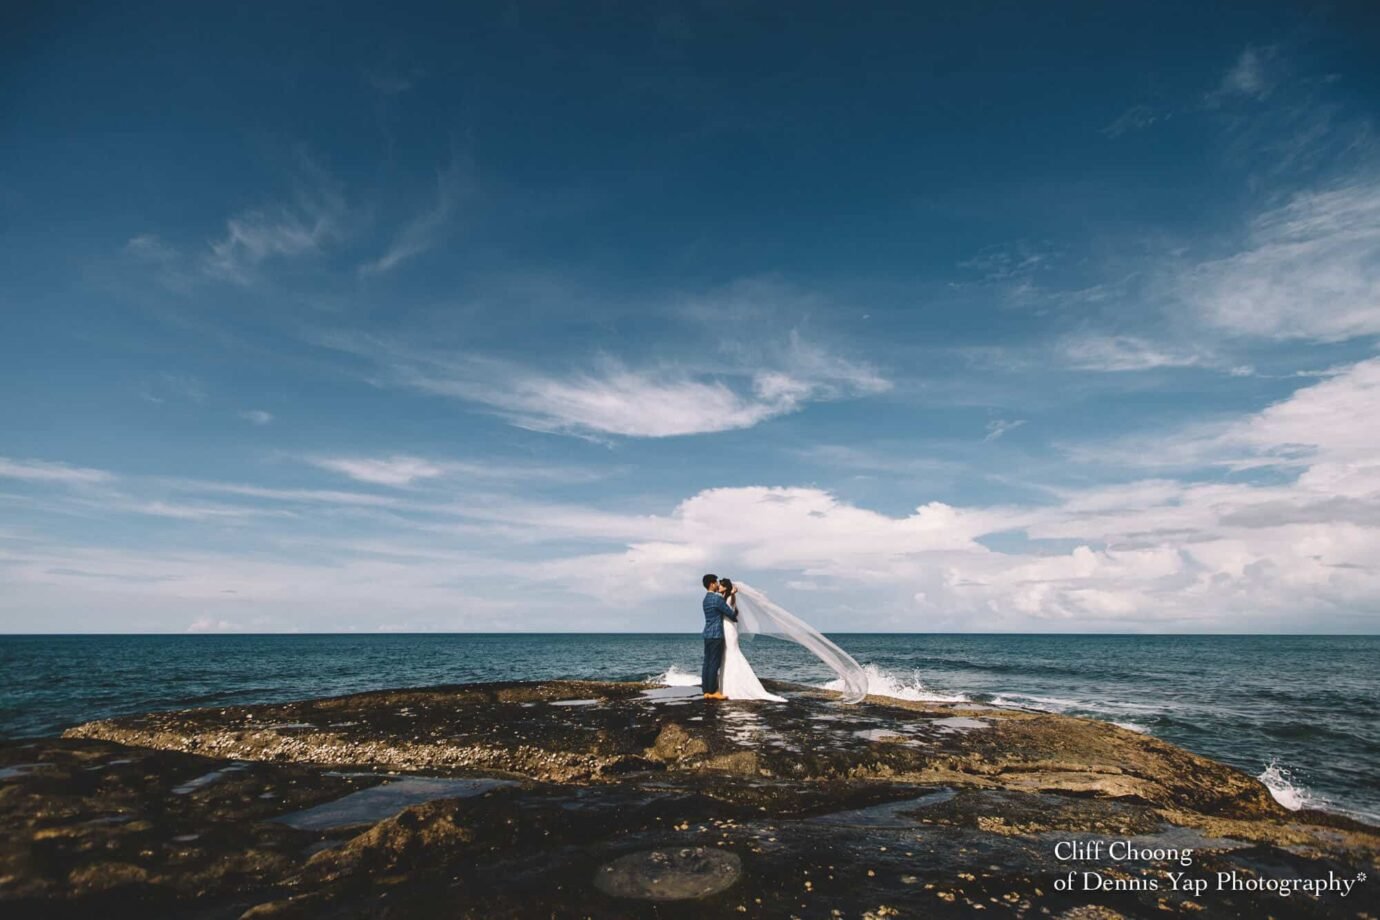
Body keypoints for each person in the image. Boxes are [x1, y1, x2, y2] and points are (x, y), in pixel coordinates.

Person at [701, 573, 735, 700]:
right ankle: (713, 691)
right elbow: (731, 614)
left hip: (707, 634)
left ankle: (706, 691)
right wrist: (731, 595)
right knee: (714, 663)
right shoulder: (717, 599)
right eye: (716, 582)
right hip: (716, 635)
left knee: (707, 663)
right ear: (711, 584)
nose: (717, 584)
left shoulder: (705, 599)